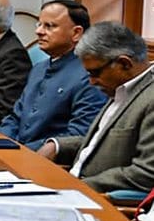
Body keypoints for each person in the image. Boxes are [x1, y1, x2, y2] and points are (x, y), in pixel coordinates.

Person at [37, 22, 154, 193]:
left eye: (95, 73)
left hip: (98, 200)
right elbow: (102, 143)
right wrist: (57, 145)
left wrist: (76, 187)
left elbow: (145, 173)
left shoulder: (149, 98)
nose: (91, 82)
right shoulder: (121, 88)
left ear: (124, 64)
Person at [0, 0, 106, 150]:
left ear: (76, 33)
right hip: (14, 152)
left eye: (49, 26)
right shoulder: (38, 69)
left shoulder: (90, 75)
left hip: (47, 161)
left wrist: (21, 152)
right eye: (39, 24)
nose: (39, 31)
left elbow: (78, 135)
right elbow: (15, 118)